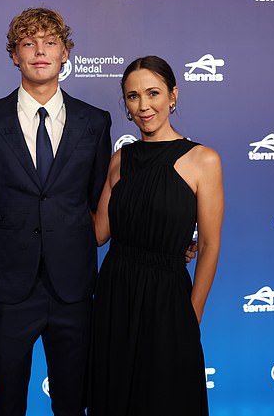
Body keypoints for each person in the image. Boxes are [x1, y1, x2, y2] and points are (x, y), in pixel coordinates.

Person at [0, 8, 112, 416]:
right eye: (29, 43)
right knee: (7, 398)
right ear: (15, 55)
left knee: (73, 398)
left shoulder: (95, 122)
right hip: (11, 286)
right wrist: (16, 215)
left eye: (50, 43)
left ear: (66, 53)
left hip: (74, 286)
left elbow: (102, 197)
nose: (40, 52)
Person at [88, 56, 224, 415]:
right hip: (115, 296)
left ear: (173, 95)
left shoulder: (203, 160)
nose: (143, 106)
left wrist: (190, 315)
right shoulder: (121, 159)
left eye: (153, 93)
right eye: (133, 96)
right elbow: (100, 232)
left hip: (168, 302)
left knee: (166, 399)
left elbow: (209, 246)